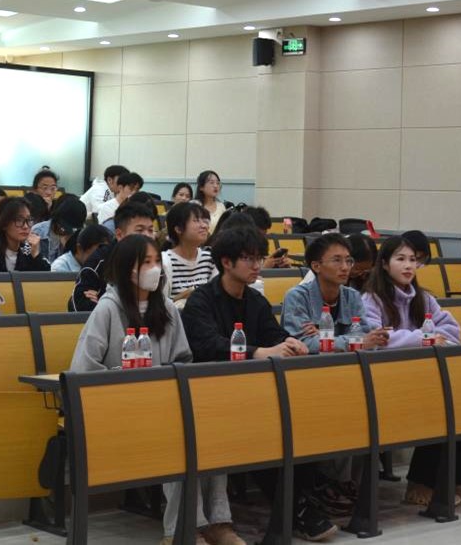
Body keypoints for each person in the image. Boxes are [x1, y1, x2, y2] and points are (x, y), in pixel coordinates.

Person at [67, 234, 246, 545]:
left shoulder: (166, 308)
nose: (154, 269)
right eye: (146, 262)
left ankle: (218, 521)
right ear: (128, 270)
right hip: (117, 409)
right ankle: (182, 530)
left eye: (156, 262)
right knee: (178, 439)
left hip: (162, 406)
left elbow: (183, 359)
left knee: (208, 431)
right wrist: (121, 378)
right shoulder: (107, 309)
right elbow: (82, 369)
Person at [181, 227, 336, 542]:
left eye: (259, 258)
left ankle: (300, 503)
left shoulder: (255, 299)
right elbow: (208, 345)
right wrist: (258, 352)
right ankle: (296, 510)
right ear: (226, 262)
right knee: (263, 431)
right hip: (213, 395)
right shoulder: (201, 300)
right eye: (249, 259)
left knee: (304, 422)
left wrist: (291, 342)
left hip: (256, 391)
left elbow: (273, 334)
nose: (257, 266)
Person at [359, 235, 461, 506]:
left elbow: (451, 331)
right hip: (384, 380)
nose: (408, 265)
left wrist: (427, 339)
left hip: (422, 376)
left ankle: (456, 478)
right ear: (384, 264)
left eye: (413, 260)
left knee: (454, 401)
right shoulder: (371, 299)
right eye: (400, 259)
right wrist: (423, 338)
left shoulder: (423, 298)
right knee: (436, 403)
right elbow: (377, 338)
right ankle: (420, 481)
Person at [283, 234, 388, 354]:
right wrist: (353, 342)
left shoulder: (353, 296)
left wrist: (325, 337)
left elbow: (365, 337)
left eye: (348, 261)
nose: (345, 267)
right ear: (316, 266)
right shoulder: (297, 297)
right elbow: (303, 344)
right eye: (337, 260)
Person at [70, 202, 156, 312]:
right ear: (119, 235)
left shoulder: (155, 261)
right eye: (140, 230)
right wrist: (106, 307)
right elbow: (79, 305)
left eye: (150, 230)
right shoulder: (99, 261)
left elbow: (158, 300)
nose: (147, 236)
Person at [0, 198, 51, 273]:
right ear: (4, 224)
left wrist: (36, 254)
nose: (26, 226)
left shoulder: (28, 251)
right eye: (19, 220)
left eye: (29, 220)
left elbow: (49, 279)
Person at [162, 202, 214, 307]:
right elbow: (160, 305)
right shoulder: (165, 261)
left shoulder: (210, 259)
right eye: (196, 220)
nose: (204, 226)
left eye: (205, 221)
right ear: (178, 229)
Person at [31, 194, 86, 265]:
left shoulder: (79, 237)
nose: (64, 232)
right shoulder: (38, 231)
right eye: (63, 228)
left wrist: (68, 246)